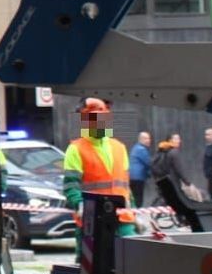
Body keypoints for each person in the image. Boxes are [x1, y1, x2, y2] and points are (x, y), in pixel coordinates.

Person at [61, 98, 136, 252]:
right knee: (90, 270)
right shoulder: (75, 149)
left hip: (122, 220)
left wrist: (135, 211)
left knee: (129, 266)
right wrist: (79, 204)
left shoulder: (119, 147)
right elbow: (71, 185)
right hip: (92, 221)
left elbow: (126, 186)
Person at [128, 130, 153, 207]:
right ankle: (137, 213)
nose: (149, 140)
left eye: (149, 138)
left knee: (134, 197)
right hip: (138, 178)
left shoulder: (136, 148)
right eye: (146, 138)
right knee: (138, 197)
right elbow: (149, 163)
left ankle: (134, 212)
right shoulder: (141, 149)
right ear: (140, 139)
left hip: (133, 177)